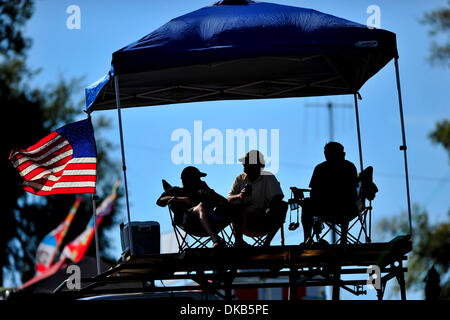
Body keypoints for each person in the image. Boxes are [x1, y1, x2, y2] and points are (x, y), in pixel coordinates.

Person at [156, 166, 231, 248]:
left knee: (236, 205)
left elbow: (226, 203)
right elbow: (160, 202)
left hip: (210, 222)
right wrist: (181, 199)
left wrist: (208, 190)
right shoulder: (176, 190)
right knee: (201, 206)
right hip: (189, 223)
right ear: (188, 180)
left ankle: (239, 241)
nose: (200, 181)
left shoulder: (201, 192)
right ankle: (216, 241)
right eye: (197, 178)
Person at [300, 142, 358, 245]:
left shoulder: (348, 167)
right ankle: (308, 239)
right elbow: (314, 193)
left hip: (343, 207)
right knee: (308, 203)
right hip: (330, 207)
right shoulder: (321, 168)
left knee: (308, 203)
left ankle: (308, 239)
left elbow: (313, 193)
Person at [228, 150, 285, 247]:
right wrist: (239, 195)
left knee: (282, 205)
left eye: (246, 161)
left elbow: (278, 196)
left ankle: (266, 243)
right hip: (243, 222)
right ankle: (239, 241)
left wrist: (270, 208)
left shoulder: (268, 177)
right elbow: (229, 198)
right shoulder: (240, 178)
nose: (243, 164)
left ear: (255, 164)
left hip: (263, 220)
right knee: (234, 207)